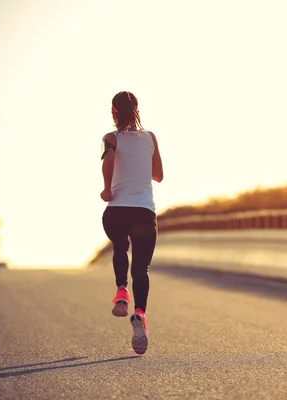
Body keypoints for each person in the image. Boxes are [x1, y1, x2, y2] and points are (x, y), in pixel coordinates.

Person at [100, 91, 163, 355]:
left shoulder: (110, 138)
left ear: (113, 113)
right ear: (137, 110)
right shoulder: (150, 138)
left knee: (119, 245)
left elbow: (110, 159)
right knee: (141, 268)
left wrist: (107, 189)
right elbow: (158, 175)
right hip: (144, 213)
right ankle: (139, 314)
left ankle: (121, 292)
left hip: (117, 212)